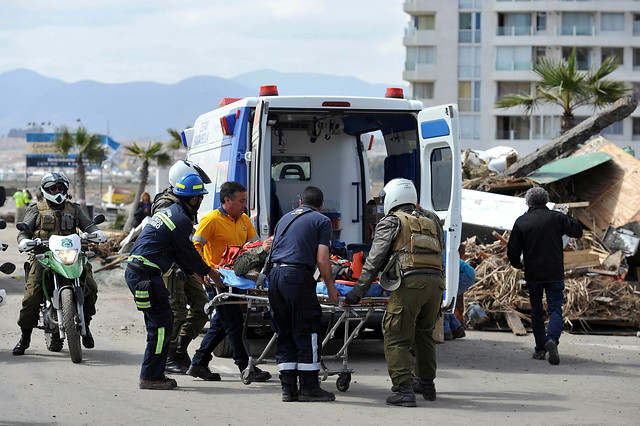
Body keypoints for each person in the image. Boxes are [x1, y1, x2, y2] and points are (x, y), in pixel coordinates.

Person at [344, 178, 445, 407]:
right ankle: (426, 384)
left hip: (411, 284)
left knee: (395, 335)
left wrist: (357, 292)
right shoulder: (431, 220)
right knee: (424, 333)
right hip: (436, 284)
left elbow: (374, 260)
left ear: (391, 198)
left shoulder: (392, 222)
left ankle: (403, 390)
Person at [125, 173, 221, 390]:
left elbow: (179, 255)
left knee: (162, 322)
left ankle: (154, 372)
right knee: (160, 326)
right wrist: (209, 272)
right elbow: (189, 253)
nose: (200, 201)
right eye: (200, 198)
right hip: (145, 276)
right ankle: (151, 376)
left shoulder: (170, 213)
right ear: (194, 199)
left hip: (141, 273)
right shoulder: (180, 220)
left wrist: (198, 274)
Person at [13, 172, 107, 356]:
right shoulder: (36, 209)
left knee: (91, 287)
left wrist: (96, 233)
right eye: (53, 188)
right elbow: (24, 231)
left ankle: (85, 323)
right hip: (44, 257)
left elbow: (88, 226)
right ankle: (25, 336)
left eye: (61, 188)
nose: (57, 191)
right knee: (32, 295)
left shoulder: (74, 209)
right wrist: (24, 240)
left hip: (71, 255)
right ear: (45, 190)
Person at [187, 181, 272, 383]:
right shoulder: (211, 220)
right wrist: (205, 271)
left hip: (238, 280)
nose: (245, 205)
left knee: (222, 322)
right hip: (216, 279)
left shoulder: (244, 220)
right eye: (241, 201)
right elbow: (195, 247)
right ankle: (245, 366)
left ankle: (199, 362)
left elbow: (253, 245)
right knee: (233, 322)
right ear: (227, 200)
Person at [268, 186, 339, 403]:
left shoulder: (285, 218)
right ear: (321, 206)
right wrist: (330, 287)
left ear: (300, 203)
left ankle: (288, 389)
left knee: (285, 331)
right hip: (296, 277)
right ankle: (309, 386)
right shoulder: (321, 220)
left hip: (275, 277)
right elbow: (322, 259)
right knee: (307, 330)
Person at [507, 187, 582, 366]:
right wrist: (566, 216)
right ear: (546, 201)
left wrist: (518, 265)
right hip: (554, 272)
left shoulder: (522, 221)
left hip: (533, 273)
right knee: (556, 308)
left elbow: (512, 251)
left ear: (528, 202)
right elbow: (578, 231)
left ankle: (540, 349)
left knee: (536, 310)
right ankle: (552, 340)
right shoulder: (557, 218)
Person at [151, 159, 212, 375]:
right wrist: (203, 270)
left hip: (184, 266)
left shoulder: (183, 204)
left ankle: (180, 348)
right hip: (170, 267)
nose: (200, 200)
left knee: (202, 306)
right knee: (175, 310)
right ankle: (168, 355)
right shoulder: (166, 204)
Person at [443, 243, 475, 341]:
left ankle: (446, 331)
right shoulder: (446, 254)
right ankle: (457, 329)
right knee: (448, 302)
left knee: (445, 302)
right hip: (468, 274)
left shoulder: (442, 256)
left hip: (465, 275)